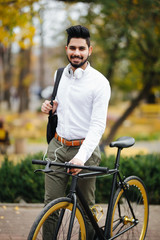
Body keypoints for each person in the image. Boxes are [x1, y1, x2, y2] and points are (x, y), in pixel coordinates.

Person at [41, 25, 111, 239]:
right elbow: (62, 106)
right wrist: (50, 107)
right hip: (58, 147)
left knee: (85, 209)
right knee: (50, 207)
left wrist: (81, 158)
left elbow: (97, 126)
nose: (76, 53)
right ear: (66, 49)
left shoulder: (100, 82)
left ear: (90, 50)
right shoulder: (59, 74)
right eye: (73, 48)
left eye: (82, 48)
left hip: (85, 150)